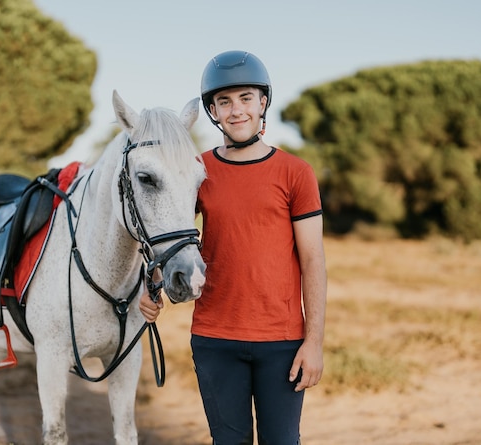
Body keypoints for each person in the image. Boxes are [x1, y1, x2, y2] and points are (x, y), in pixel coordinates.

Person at [140, 50, 327, 445]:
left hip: (282, 342)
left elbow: (312, 262)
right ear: (212, 110)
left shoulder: (296, 173)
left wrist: (313, 343)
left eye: (245, 98)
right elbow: (165, 234)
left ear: (263, 103)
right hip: (215, 339)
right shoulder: (197, 171)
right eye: (223, 101)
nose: (235, 110)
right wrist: (149, 283)